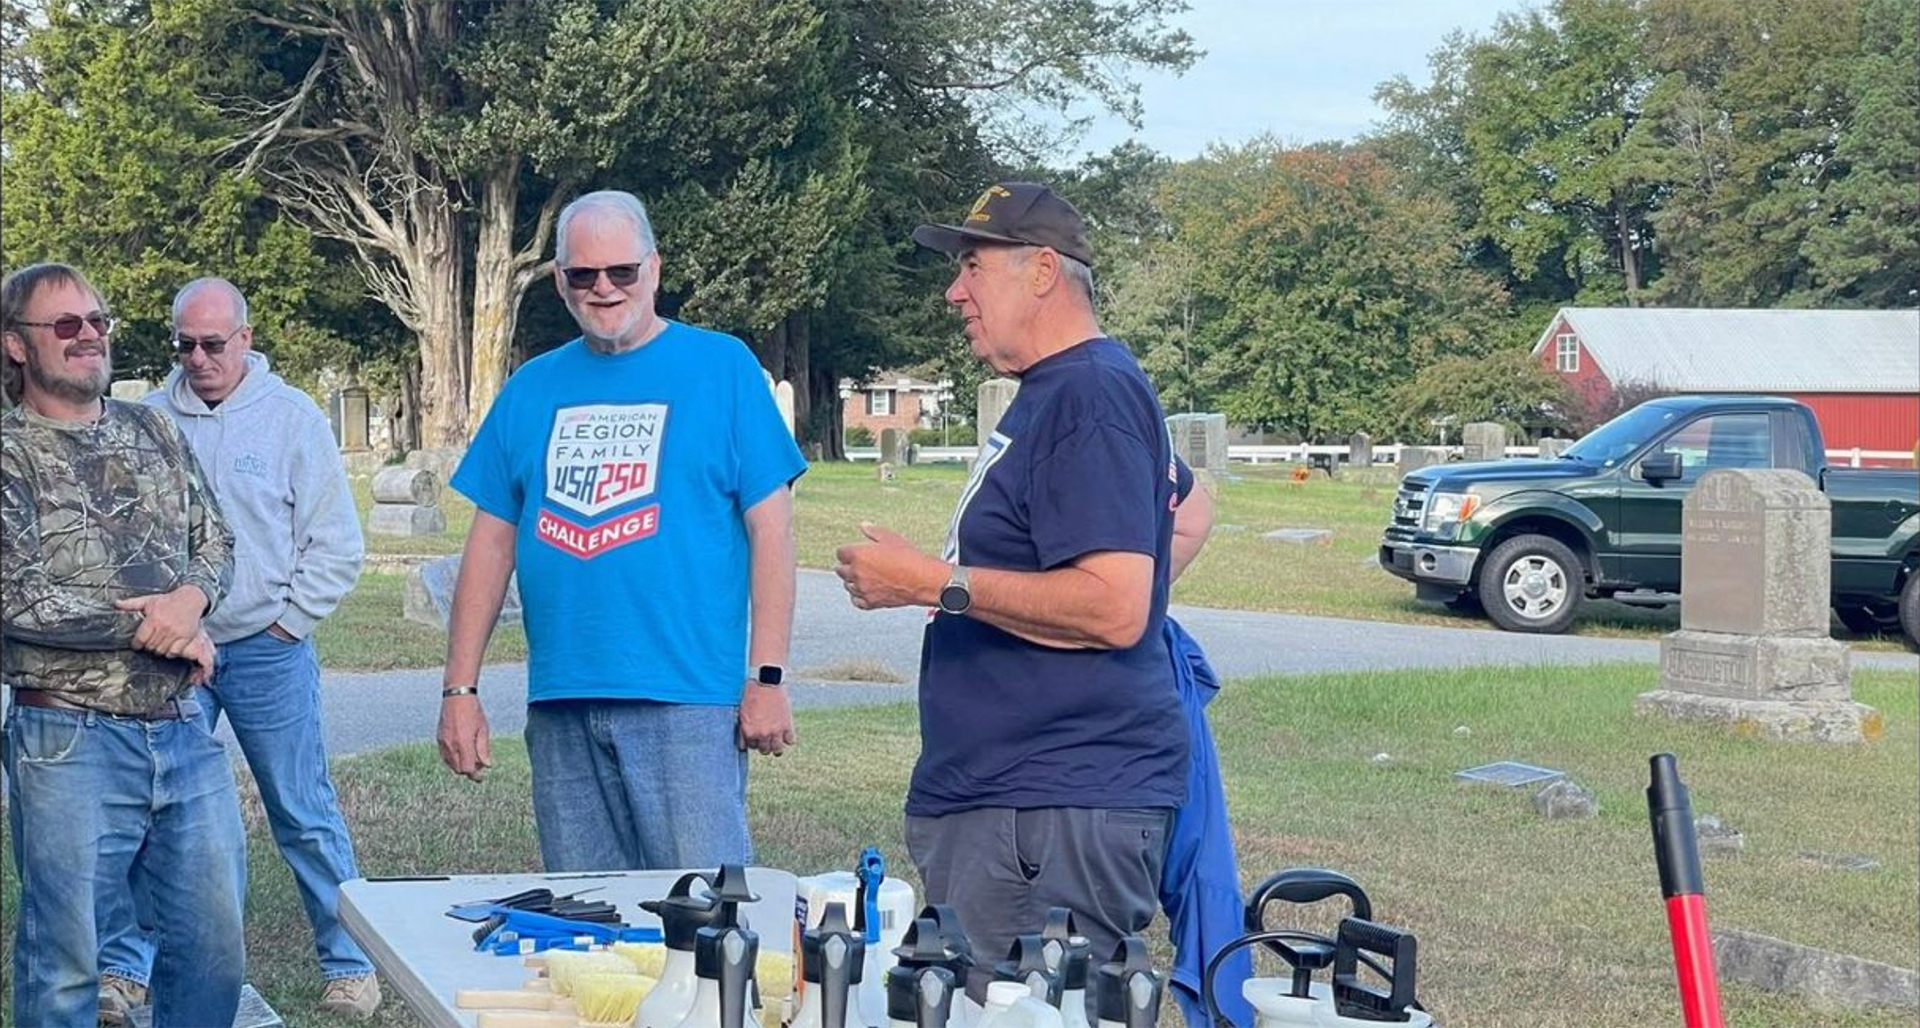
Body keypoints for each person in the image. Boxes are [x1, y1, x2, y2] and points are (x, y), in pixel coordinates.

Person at [833, 182, 1190, 995]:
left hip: (1050, 805)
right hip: (1022, 799)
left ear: (1041, 272)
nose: (954, 292)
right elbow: (1185, 509)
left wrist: (934, 582)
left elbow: (1115, 604)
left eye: (971, 267)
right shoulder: (1069, 390)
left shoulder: (1088, 393)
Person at [436, 189, 807, 871]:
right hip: (562, 703)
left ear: (655, 269)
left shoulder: (722, 368)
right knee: (589, 932)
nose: (603, 289)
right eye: (583, 275)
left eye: (621, 272)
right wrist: (460, 690)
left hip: (688, 702)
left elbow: (773, 534)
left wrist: (769, 676)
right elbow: (490, 545)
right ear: (560, 280)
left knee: (704, 925)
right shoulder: (530, 387)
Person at [91, 277, 380, 1019]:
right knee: (154, 814)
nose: (197, 358)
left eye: (212, 344)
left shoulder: (291, 420)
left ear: (246, 340)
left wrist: (287, 623)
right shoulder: (147, 419)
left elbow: (337, 544)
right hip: (171, 656)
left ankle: (350, 961)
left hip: (262, 646)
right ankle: (128, 968)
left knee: (301, 807)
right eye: (183, 344)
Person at [1, 262, 244, 1028]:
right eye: (65, 325)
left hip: (182, 730)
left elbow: (217, 539)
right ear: (15, 345)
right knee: (66, 962)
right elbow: (16, 592)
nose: (88, 338)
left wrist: (193, 600)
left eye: (97, 322)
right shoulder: (10, 452)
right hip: (66, 739)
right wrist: (159, 624)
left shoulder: (154, 429)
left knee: (213, 949)